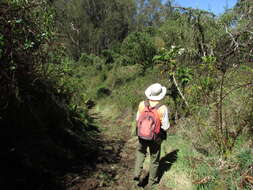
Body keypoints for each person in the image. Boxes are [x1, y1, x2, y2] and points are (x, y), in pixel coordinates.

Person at [133, 83, 170, 190]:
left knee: (140, 154)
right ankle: (152, 184)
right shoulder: (162, 108)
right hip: (155, 139)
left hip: (141, 136)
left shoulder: (142, 104)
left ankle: (136, 175)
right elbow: (166, 126)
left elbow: (137, 119)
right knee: (154, 160)